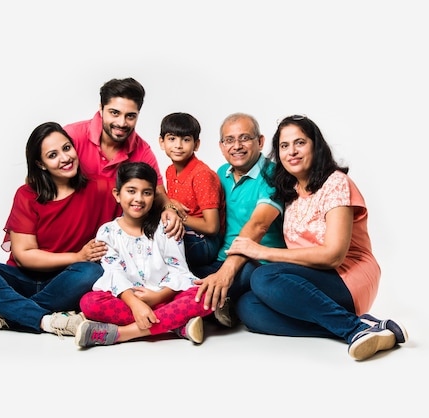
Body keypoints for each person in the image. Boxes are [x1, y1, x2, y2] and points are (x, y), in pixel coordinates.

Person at [225, 114, 408, 361]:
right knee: (248, 308)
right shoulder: (289, 191)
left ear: (315, 145)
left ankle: (354, 329)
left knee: (264, 276)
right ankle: (367, 328)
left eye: (300, 142)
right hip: (310, 281)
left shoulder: (336, 183)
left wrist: (262, 252)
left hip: (347, 277)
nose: (292, 152)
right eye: (284, 146)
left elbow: (333, 256)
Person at [0, 122, 120, 337]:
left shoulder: (103, 187)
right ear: (40, 164)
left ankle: (2, 318)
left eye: (67, 148)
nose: (65, 158)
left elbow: (139, 204)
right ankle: (46, 320)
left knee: (92, 272)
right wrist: (77, 256)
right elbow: (24, 256)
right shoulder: (26, 195)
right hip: (21, 280)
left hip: (68, 283)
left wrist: (168, 207)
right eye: (53, 155)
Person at [74, 162, 214, 348]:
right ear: (117, 194)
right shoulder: (107, 232)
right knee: (89, 303)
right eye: (131, 191)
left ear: (154, 196)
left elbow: (178, 269)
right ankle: (176, 325)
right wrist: (135, 303)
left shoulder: (166, 226)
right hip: (128, 300)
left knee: (205, 296)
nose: (138, 198)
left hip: (166, 296)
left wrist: (159, 297)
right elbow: (113, 273)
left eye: (146, 193)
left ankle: (122, 334)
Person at [192, 113, 286, 327]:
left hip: (256, 262)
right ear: (221, 146)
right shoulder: (222, 172)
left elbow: (259, 225)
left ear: (260, 141)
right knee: (183, 278)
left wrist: (226, 272)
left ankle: (203, 309)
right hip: (220, 258)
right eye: (229, 140)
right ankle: (218, 306)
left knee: (211, 288)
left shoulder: (275, 175)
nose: (237, 146)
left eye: (244, 138)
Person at [63, 77, 184, 239]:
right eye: (114, 113)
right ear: (101, 109)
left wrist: (170, 208)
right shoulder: (72, 136)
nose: (121, 123)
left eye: (130, 116)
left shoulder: (142, 150)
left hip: (111, 239)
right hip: (69, 231)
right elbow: (39, 178)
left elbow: (158, 192)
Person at [158, 112, 225, 267]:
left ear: (196, 144)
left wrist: (177, 216)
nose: (178, 145)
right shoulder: (170, 170)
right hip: (184, 232)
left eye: (186, 139)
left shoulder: (202, 175)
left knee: (156, 241)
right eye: (172, 138)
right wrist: (170, 204)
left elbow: (212, 227)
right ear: (162, 142)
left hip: (203, 241)